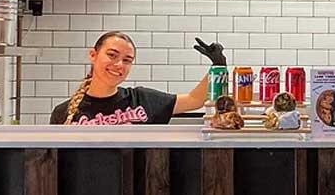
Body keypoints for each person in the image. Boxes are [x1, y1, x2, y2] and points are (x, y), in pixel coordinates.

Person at [50, 31, 226, 125]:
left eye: (127, 60)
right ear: (93, 55)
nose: (119, 64)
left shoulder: (142, 100)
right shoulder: (62, 113)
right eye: (112, 55)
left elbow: (195, 100)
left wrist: (218, 65)